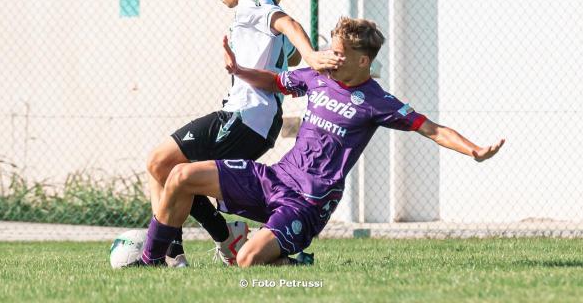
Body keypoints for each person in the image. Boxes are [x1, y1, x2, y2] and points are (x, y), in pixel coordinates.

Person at [136, 16, 505, 267]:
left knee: (247, 261)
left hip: (309, 201)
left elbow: (433, 128)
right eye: (330, 47)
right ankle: (150, 262)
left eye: (338, 51)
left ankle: (290, 259)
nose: (329, 54)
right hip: (276, 177)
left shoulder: (377, 102)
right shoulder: (317, 75)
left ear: (362, 61)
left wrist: (473, 150)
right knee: (181, 175)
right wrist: (238, 71)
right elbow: (277, 82)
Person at [145, 0, 343, 267]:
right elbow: (287, 56)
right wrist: (275, 6)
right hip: (258, 122)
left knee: (159, 162)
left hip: (243, 116)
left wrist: (311, 55)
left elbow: (287, 24)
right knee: (173, 171)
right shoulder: (258, 5)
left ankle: (186, 246)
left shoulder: (254, 3)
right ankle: (186, 248)